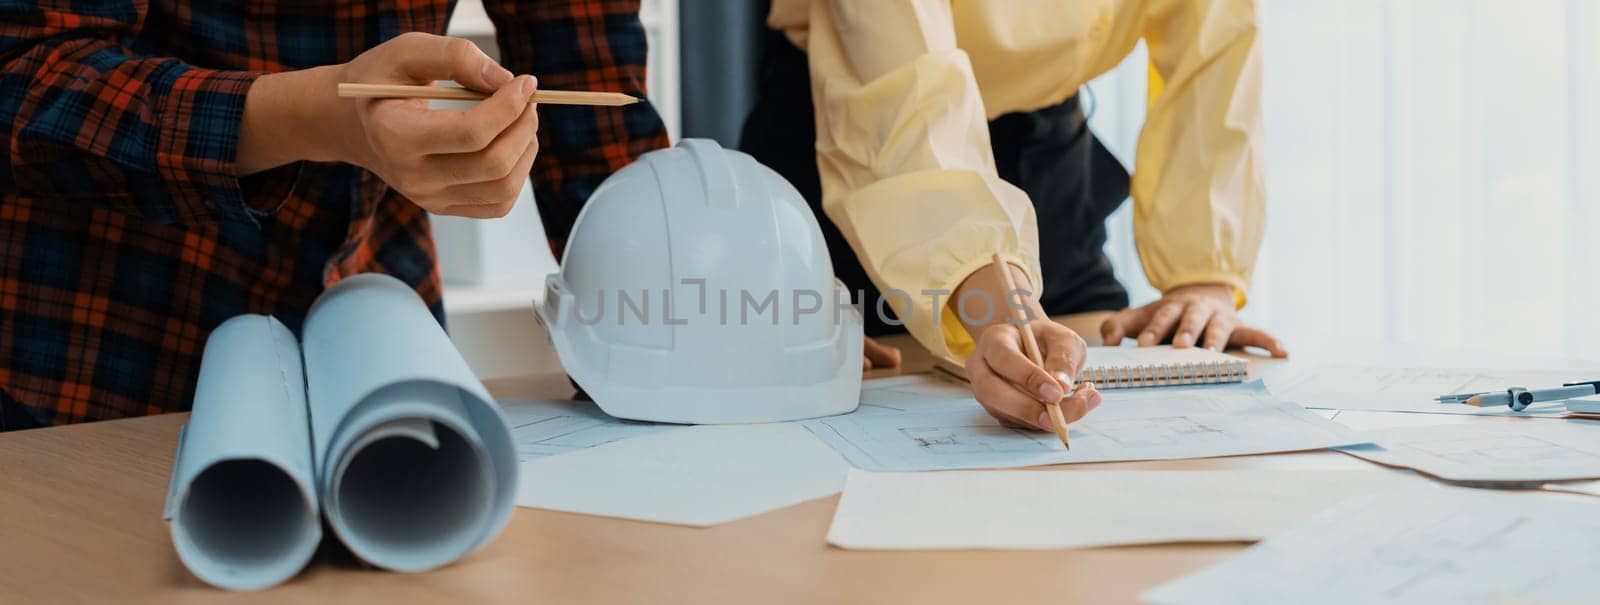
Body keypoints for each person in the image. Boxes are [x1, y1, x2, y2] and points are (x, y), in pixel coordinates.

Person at [0, 1, 668, 429]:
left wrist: (664, 341)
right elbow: (19, 72)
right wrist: (315, 117)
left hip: (371, 310)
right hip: (90, 343)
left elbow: (591, 72)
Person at [741, 0, 1289, 432]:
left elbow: (1216, 46)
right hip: (861, 148)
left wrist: (1204, 276)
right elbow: (905, 105)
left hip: (1049, 149)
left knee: (1070, 372)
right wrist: (1000, 305)